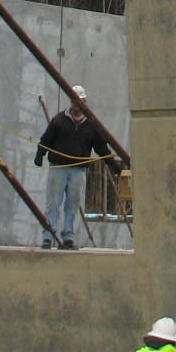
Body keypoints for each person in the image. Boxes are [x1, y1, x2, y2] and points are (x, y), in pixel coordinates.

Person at [34, 87, 116, 250]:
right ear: (71, 101)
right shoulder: (59, 120)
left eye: (79, 101)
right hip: (59, 167)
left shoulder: (91, 125)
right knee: (53, 203)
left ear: (84, 102)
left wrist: (112, 163)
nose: (76, 104)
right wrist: (40, 154)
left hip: (78, 170)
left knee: (73, 204)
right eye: (74, 100)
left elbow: (101, 147)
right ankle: (48, 236)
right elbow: (46, 139)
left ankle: (68, 237)